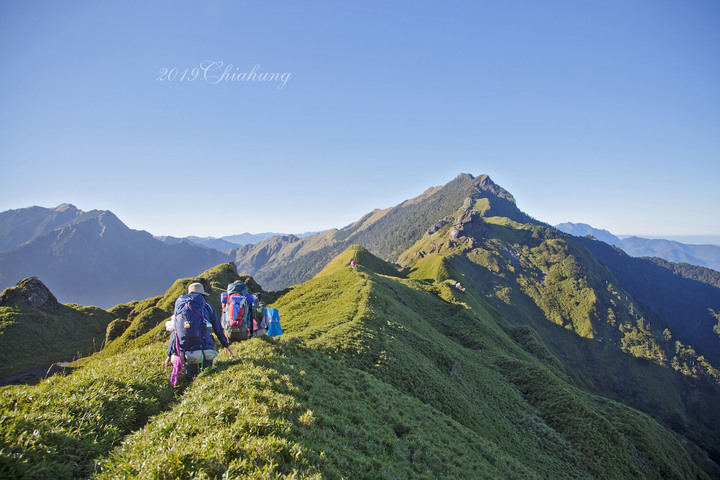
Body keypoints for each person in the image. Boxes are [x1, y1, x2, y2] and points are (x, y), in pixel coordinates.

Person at [163, 282, 233, 382]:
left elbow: (175, 332)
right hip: (205, 350)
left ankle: (188, 390)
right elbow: (218, 329)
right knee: (207, 375)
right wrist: (225, 345)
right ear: (203, 295)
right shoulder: (208, 308)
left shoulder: (180, 308)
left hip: (185, 351)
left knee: (190, 378)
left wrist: (169, 354)